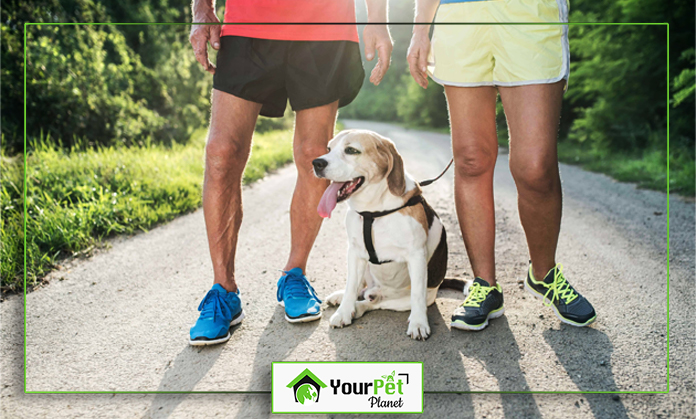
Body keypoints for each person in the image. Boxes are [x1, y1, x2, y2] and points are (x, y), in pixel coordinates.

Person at [188, 0, 393, 345]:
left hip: (324, 24)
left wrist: (378, 19)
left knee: (315, 155)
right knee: (221, 154)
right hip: (247, 23)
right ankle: (223, 290)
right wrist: (201, 10)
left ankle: (295, 274)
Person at [407, 0, 596, 331]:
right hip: (459, 15)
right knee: (470, 160)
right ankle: (485, 285)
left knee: (536, 167)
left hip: (529, 13)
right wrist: (420, 30)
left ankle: (544, 275)